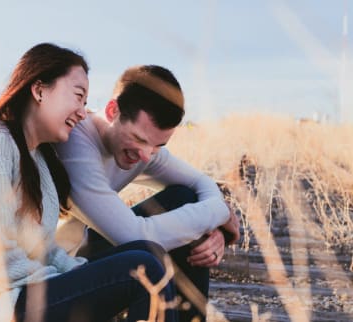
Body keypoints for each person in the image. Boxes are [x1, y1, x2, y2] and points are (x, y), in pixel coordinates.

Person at [0, 44, 178, 322]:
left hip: (26, 296)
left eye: (86, 103)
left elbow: (43, 248)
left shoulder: (38, 160)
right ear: (39, 90)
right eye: (78, 97)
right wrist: (65, 281)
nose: (83, 112)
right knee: (142, 268)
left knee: (149, 251)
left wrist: (77, 274)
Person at [55, 65, 240, 322]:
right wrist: (218, 213)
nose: (146, 155)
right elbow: (134, 235)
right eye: (139, 139)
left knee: (183, 198)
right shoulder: (75, 142)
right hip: (54, 278)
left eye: (158, 145)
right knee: (152, 254)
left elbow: (201, 182)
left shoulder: (145, 150)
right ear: (112, 111)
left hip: (83, 255)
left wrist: (214, 230)